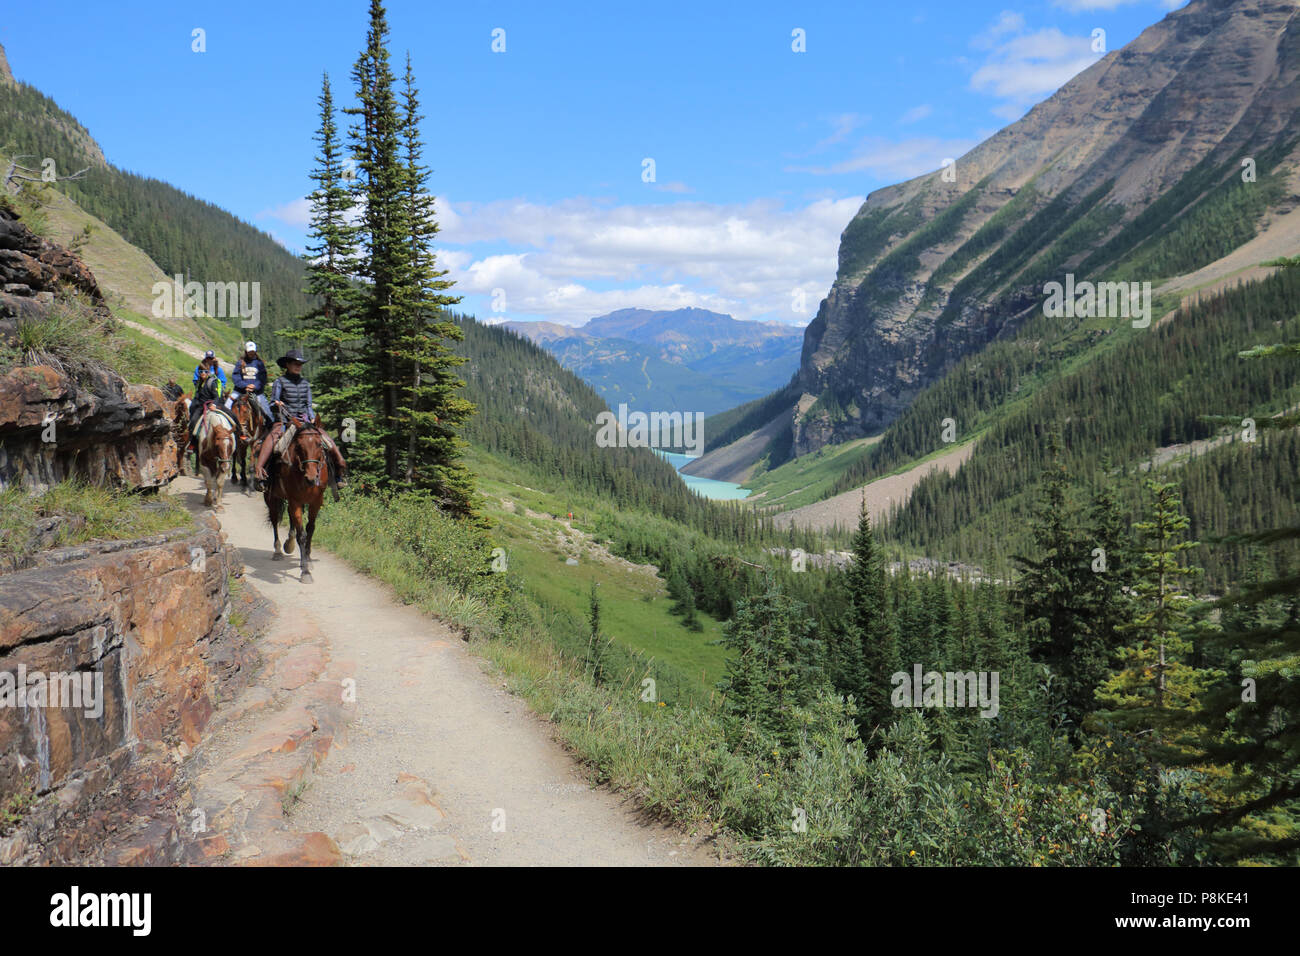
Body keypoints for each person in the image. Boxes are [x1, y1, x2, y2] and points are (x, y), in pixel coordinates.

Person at [254, 349, 347, 488]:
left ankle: (338, 472)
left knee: (327, 441)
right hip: (285, 420)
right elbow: (273, 402)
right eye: (294, 363)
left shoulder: (305, 384)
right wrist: (278, 404)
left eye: (300, 364)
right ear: (287, 365)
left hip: (304, 421)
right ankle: (260, 472)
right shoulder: (280, 382)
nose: (298, 366)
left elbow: (308, 405)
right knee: (274, 437)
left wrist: (312, 420)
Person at [188, 351, 228, 446]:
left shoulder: (218, 370)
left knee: (229, 411)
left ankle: (237, 432)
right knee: (192, 411)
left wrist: (216, 387)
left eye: (211, 358)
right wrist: (201, 384)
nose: (209, 360)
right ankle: (192, 441)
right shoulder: (199, 367)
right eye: (207, 358)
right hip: (202, 398)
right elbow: (195, 380)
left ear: (213, 359)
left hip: (215, 396)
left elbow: (223, 381)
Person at [231, 341, 272, 424]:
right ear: (246, 352)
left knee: (267, 411)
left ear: (255, 352)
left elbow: (263, 378)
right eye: (249, 352)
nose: (251, 353)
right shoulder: (240, 363)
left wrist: (255, 386)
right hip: (240, 391)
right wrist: (245, 386)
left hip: (256, 393)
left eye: (253, 351)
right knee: (227, 406)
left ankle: (270, 428)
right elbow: (236, 377)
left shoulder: (259, 363)